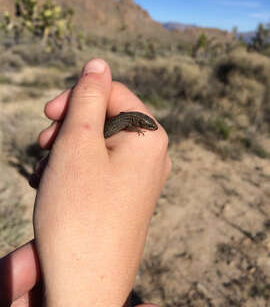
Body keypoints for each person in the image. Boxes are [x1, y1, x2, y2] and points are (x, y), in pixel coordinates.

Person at [0, 59, 171, 307]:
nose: (148, 126)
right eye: (147, 125)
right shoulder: (133, 122)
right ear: (140, 123)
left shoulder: (133, 120)